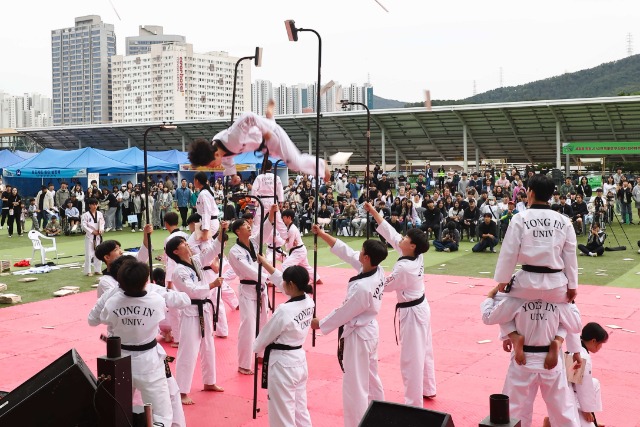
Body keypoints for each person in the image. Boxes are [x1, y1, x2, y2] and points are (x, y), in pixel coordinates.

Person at [310, 224, 388, 427]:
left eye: (361, 251)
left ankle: (356, 424)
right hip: (369, 331)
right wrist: (322, 234)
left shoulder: (363, 288)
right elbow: (345, 251)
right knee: (371, 379)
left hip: (358, 336)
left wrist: (320, 324)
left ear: (367, 257)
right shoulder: (377, 270)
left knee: (355, 385)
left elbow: (344, 313)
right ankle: (379, 416)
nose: (358, 252)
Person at [88, 260, 180, 426]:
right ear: (146, 281)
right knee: (160, 413)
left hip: (120, 360)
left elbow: (93, 320)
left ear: (120, 282)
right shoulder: (156, 300)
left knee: (117, 410)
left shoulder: (112, 302)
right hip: (148, 361)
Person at [364, 202, 436, 405]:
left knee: (411, 358)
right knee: (425, 350)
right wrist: (374, 212)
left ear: (412, 245)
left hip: (412, 312)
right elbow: (391, 233)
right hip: (421, 306)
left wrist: (367, 272)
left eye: (406, 238)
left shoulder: (404, 268)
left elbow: (384, 286)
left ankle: (413, 403)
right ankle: (428, 387)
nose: (401, 239)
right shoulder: (415, 254)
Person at [481, 284, 582, 427]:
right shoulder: (558, 300)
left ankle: (515, 337)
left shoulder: (515, 299)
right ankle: (557, 341)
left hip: (523, 360)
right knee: (563, 409)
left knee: (516, 409)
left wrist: (491, 295)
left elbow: (489, 317)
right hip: (551, 361)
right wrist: (570, 301)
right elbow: (575, 326)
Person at [188, 100, 330, 185]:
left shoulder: (231, 138)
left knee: (295, 164)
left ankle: (321, 164)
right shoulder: (220, 151)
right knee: (283, 157)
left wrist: (265, 130)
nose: (213, 167)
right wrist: (233, 175)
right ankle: (269, 117)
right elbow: (228, 160)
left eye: (212, 165)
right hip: (263, 145)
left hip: (271, 136)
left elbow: (248, 116)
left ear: (215, 155)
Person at [252, 261, 314, 427]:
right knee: (300, 410)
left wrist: (255, 347)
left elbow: (265, 336)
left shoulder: (284, 310)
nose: (281, 285)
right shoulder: (309, 301)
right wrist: (264, 262)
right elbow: (283, 281)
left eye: (285, 283)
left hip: (282, 365)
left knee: (282, 414)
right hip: (299, 360)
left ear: (291, 285)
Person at [165, 234, 225, 405]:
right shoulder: (179, 271)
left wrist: (220, 235)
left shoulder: (196, 260)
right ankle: (182, 391)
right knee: (188, 351)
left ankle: (209, 381)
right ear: (176, 251)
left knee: (208, 346)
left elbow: (212, 250)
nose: (187, 244)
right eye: (183, 243)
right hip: (191, 310)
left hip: (204, 308)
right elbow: (191, 290)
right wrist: (211, 285)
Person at [227, 217, 274, 375]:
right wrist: (269, 277)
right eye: (246, 226)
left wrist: (271, 216)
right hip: (248, 288)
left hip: (260, 288)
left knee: (263, 322)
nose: (249, 227)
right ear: (238, 231)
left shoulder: (254, 243)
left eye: (249, 225)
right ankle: (244, 364)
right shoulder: (235, 251)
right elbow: (247, 269)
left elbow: (265, 231)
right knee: (248, 325)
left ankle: (261, 354)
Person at [81, 198, 105, 276]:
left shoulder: (100, 214)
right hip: (90, 236)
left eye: (96, 204)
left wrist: (101, 230)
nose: (95, 206)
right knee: (89, 253)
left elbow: (102, 223)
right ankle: (88, 271)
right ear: (89, 205)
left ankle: (97, 270)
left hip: (98, 235)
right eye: (93, 204)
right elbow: (83, 226)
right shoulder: (85, 215)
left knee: (98, 252)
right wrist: (92, 231)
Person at [194, 171, 220, 242]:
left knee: (195, 244)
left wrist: (205, 231)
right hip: (208, 222)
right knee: (202, 245)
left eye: (194, 180)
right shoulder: (204, 192)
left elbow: (206, 212)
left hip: (210, 223)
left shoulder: (204, 194)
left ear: (197, 181)